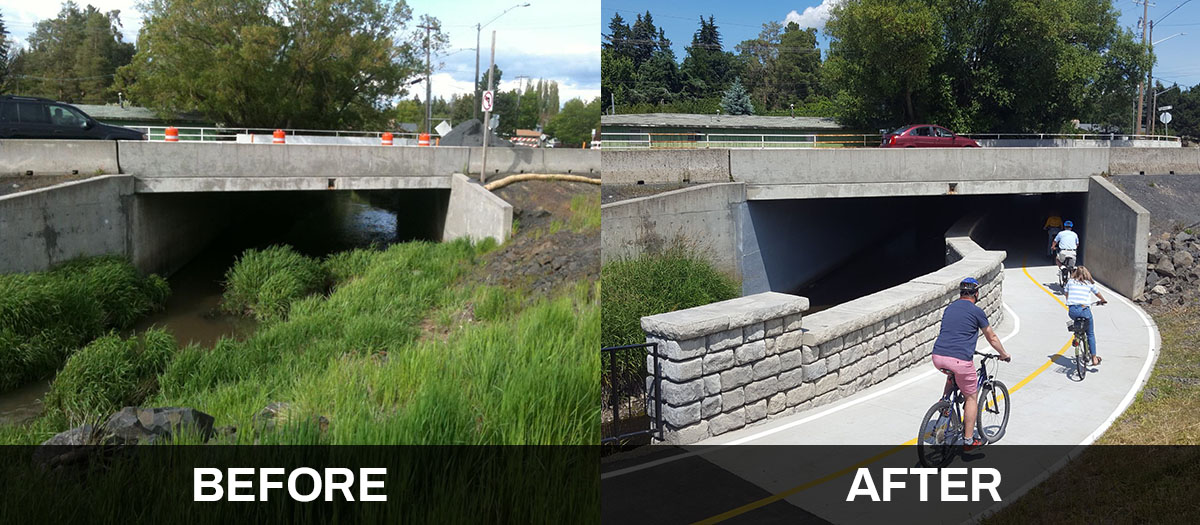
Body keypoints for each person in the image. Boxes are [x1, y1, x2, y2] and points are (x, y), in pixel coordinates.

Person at [931, 278, 1011, 451]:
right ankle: (968, 440)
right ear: (977, 293)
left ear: (960, 293)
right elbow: (992, 337)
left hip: (938, 357)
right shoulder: (976, 312)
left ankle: (944, 402)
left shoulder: (949, 308)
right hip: (960, 360)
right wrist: (1004, 354)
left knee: (953, 375)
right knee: (971, 397)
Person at [1064, 266, 1106, 366]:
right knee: (1090, 333)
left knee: (1077, 321)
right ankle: (1094, 358)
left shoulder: (1070, 282)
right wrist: (1103, 300)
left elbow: (1066, 293)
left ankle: (1076, 336)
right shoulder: (1089, 283)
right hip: (1084, 310)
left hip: (1072, 311)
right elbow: (1097, 294)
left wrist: (1070, 301)